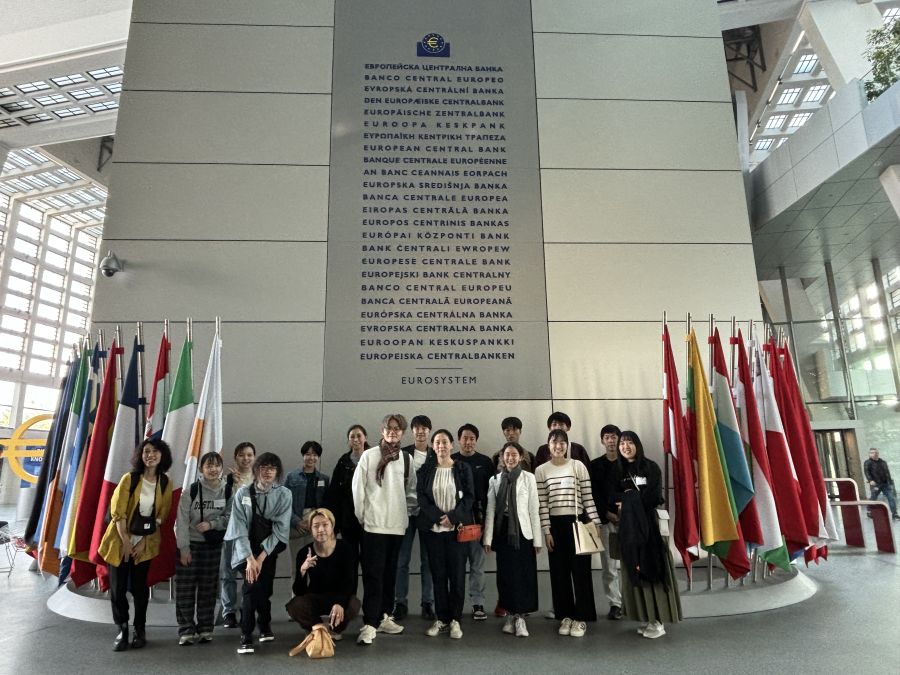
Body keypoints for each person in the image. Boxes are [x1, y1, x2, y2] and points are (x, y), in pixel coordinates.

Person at [98, 438, 174, 651]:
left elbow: (161, 517)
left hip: (145, 543)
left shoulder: (165, 483)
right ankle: (122, 628)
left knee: (140, 590)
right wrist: (125, 542)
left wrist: (143, 543)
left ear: (162, 455)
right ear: (141, 455)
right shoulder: (129, 479)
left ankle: (140, 629)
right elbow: (118, 512)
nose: (151, 455)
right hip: (120, 540)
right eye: (147, 451)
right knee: (118, 588)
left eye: (156, 451)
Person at [352, 414, 417, 645]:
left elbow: (411, 493)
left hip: (397, 527)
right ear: (381, 431)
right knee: (373, 576)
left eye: (397, 429)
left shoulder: (406, 459)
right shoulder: (369, 456)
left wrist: (403, 515)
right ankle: (369, 623)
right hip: (373, 526)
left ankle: (384, 616)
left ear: (402, 432)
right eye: (388, 428)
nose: (392, 432)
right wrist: (364, 517)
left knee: (390, 575)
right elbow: (357, 490)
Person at [611, 430, 682, 639]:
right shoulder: (618, 470)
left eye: (629, 442)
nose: (625, 446)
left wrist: (628, 498)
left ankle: (658, 620)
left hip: (649, 528)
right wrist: (631, 498)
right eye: (622, 443)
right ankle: (646, 618)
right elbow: (611, 494)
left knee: (652, 569)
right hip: (628, 530)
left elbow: (653, 496)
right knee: (634, 572)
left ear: (637, 445)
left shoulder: (650, 467)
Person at [225, 452, 292, 655]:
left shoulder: (284, 494)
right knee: (250, 588)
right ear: (256, 470)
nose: (268, 472)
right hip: (245, 551)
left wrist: (261, 558)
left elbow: (280, 530)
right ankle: (246, 635)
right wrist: (250, 559)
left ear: (277, 472)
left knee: (264, 590)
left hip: (268, 550)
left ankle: (264, 624)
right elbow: (239, 528)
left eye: (272, 468)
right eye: (263, 467)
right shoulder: (242, 494)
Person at [535, 428, 600, 637]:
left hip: (577, 522)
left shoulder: (577, 466)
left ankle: (582, 618)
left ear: (567, 446)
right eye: (554, 442)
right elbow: (542, 504)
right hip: (555, 525)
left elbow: (588, 497)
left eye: (562, 442)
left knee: (581, 573)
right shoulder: (541, 470)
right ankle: (565, 616)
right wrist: (546, 531)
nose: (558, 445)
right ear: (548, 445)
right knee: (559, 574)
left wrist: (595, 523)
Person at [416, 429, 474, 639]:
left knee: (457, 576)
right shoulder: (425, 470)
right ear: (433, 446)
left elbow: (469, 497)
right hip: (434, 531)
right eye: (437, 442)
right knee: (438, 575)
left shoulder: (462, 468)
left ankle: (456, 620)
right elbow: (422, 498)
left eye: (445, 442)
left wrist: (453, 517)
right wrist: (439, 517)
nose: (441, 446)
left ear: (452, 445)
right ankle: (441, 618)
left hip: (457, 531)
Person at [484, 442, 541, 638]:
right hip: (502, 533)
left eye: (514, 454)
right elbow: (490, 510)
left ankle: (520, 617)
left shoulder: (529, 478)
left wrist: (537, 540)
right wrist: (488, 538)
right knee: (506, 576)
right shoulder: (495, 480)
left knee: (523, 575)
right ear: (501, 457)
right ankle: (509, 614)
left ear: (521, 457)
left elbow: (534, 509)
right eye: (507, 454)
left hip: (523, 534)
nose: (510, 458)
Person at [175, 451, 233, 645]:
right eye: (209, 465)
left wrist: (212, 524)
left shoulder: (227, 491)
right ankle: (186, 630)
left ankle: (205, 628)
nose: (213, 469)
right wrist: (183, 549)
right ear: (201, 469)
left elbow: (230, 516)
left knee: (208, 589)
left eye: (217, 465)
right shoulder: (190, 491)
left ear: (221, 468)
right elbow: (181, 522)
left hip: (213, 546)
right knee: (186, 589)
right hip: (190, 545)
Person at [286, 508, 361, 641]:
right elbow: (299, 591)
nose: (321, 529)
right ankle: (317, 628)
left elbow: (350, 584)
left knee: (354, 604)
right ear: (311, 529)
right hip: (316, 597)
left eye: (325, 525)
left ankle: (334, 629)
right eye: (316, 526)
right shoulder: (304, 552)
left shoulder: (345, 548)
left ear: (332, 526)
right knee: (295, 605)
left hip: (338, 597)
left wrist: (340, 603)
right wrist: (302, 571)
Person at [394, 414, 436, 621]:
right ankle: (400, 602)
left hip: (427, 514)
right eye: (417, 428)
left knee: (428, 561)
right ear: (412, 431)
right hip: (406, 513)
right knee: (402, 560)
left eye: (424, 428)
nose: (420, 432)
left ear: (429, 431)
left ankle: (427, 602)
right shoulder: (402, 454)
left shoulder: (436, 454)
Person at [451, 423, 493, 621]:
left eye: (472, 438)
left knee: (477, 564)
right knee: (456, 566)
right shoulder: (451, 461)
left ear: (476, 440)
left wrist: (488, 524)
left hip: (479, 520)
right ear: (459, 440)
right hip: (455, 521)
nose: (468, 442)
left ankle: (478, 603)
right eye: (464, 438)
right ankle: (455, 605)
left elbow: (491, 494)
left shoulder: (485, 462)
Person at [324, 424, 368, 593]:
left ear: (365, 437)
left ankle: (371, 608)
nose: (356, 439)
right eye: (352, 437)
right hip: (348, 522)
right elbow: (334, 493)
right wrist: (334, 525)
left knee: (369, 564)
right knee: (349, 564)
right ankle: (350, 603)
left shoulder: (373, 457)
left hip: (369, 522)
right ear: (348, 441)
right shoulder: (343, 461)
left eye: (359, 436)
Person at [589, 424, 623, 620]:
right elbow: (593, 495)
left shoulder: (629, 463)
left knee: (630, 564)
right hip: (606, 520)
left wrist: (623, 513)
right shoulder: (595, 465)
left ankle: (633, 602)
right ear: (602, 441)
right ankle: (615, 603)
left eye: (614, 437)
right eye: (607, 437)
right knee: (609, 565)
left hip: (629, 520)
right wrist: (608, 514)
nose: (611, 440)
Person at [221, 441, 256, 628]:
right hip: (231, 533)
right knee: (228, 575)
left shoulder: (258, 478)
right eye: (242, 455)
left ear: (254, 457)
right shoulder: (227, 479)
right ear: (236, 458)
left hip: (251, 535)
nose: (246, 458)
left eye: (249, 454)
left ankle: (246, 609)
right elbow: (224, 506)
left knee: (249, 575)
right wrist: (231, 485)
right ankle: (228, 612)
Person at [285, 441, 330, 566]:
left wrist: (316, 521)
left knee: (316, 564)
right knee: (297, 564)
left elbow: (326, 504)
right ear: (303, 455)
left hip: (316, 522)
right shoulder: (291, 477)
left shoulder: (323, 479)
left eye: (315, 454)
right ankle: (297, 586)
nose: (311, 457)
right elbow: (284, 504)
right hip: (296, 521)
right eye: (308, 454)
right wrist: (296, 521)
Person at [864, 447, 899, 520]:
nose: (874, 454)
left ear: (878, 453)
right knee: (873, 498)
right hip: (875, 484)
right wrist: (870, 480)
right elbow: (867, 472)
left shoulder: (883, 462)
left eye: (875, 452)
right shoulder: (868, 462)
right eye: (872, 453)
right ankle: (869, 511)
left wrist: (889, 481)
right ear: (869, 454)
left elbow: (887, 472)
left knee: (891, 498)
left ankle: (895, 514)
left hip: (885, 484)